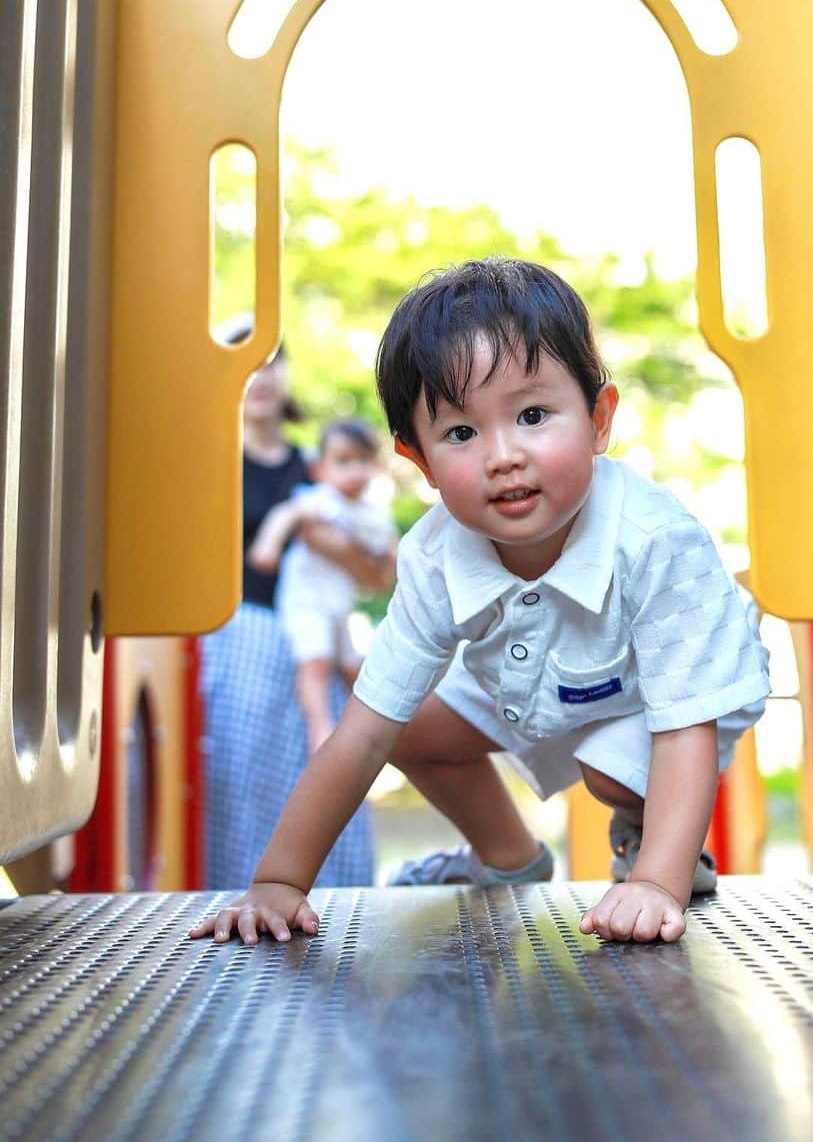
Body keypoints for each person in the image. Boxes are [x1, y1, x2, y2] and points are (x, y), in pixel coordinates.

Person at [192, 260, 770, 945]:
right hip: (536, 674)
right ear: (420, 463)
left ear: (599, 420)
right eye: (461, 433)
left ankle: (658, 838)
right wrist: (279, 884)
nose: (503, 455)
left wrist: (655, 882)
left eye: (532, 415)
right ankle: (508, 862)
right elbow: (365, 731)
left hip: (663, 689)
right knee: (406, 726)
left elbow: (684, 727)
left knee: (611, 770)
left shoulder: (655, 542)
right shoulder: (436, 555)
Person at [199, 323, 393, 890]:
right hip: (237, 643)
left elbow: (377, 573)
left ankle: (333, 901)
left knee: (324, 765)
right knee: (237, 782)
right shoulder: (208, 462)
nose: (260, 375)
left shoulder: (320, 467)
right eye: (245, 362)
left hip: (315, 636)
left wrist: (331, 542)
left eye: (270, 360)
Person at [248, 417, 398, 754]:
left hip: (340, 606)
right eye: (343, 461)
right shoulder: (321, 499)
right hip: (307, 601)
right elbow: (285, 516)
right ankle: (320, 729)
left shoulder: (373, 512)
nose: (354, 470)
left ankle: (364, 730)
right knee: (315, 662)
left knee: (352, 665)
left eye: (363, 460)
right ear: (320, 469)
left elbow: (390, 549)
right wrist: (268, 545)